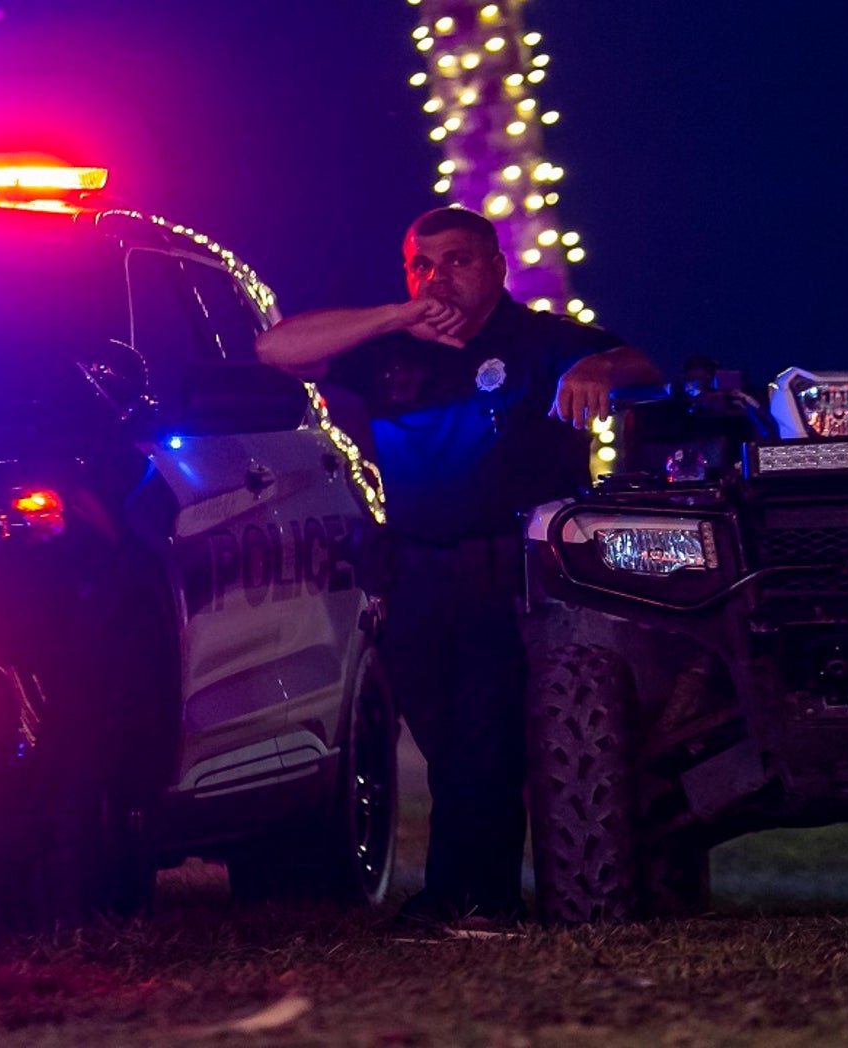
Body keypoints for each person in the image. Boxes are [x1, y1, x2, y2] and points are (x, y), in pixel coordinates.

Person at [257, 206, 659, 926]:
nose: (438, 275)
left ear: (495, 266)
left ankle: (470, 900)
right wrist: (392, 315)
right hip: (415, 574)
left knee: (485, 735)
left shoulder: (541, 339)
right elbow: (278, 350)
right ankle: (478, 891)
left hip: (509, 575)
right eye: (422, 263)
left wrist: (599, 365)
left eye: (457, 260)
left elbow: (644, 367)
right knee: (445, 743)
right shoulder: (390, 345)